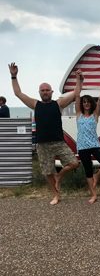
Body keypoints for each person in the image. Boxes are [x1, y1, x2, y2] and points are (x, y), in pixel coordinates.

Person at [9, 62, 79, 205]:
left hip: (58, 142)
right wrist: (13, 76)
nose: (45, 92)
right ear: (39, 92)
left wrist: (79, 80)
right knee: (48, 172)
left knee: (74, 163)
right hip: (42, 144)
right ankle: (56, 195)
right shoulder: (35, 104)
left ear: (52, 92)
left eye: (47, 90)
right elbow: (18, 93)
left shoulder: (58, 104)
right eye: (43, 90)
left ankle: (59, 176)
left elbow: (76, 93)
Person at [74, 70, 100, 204]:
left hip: (95, 145)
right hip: (83, 146)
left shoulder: (94, 115)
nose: (86, 103)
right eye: (84, 102)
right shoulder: (78, 114)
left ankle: (98, 176)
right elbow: (77, 95)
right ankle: (94, 194)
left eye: (88, 102)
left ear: (91, 103)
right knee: (88, 171)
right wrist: (78, 80)